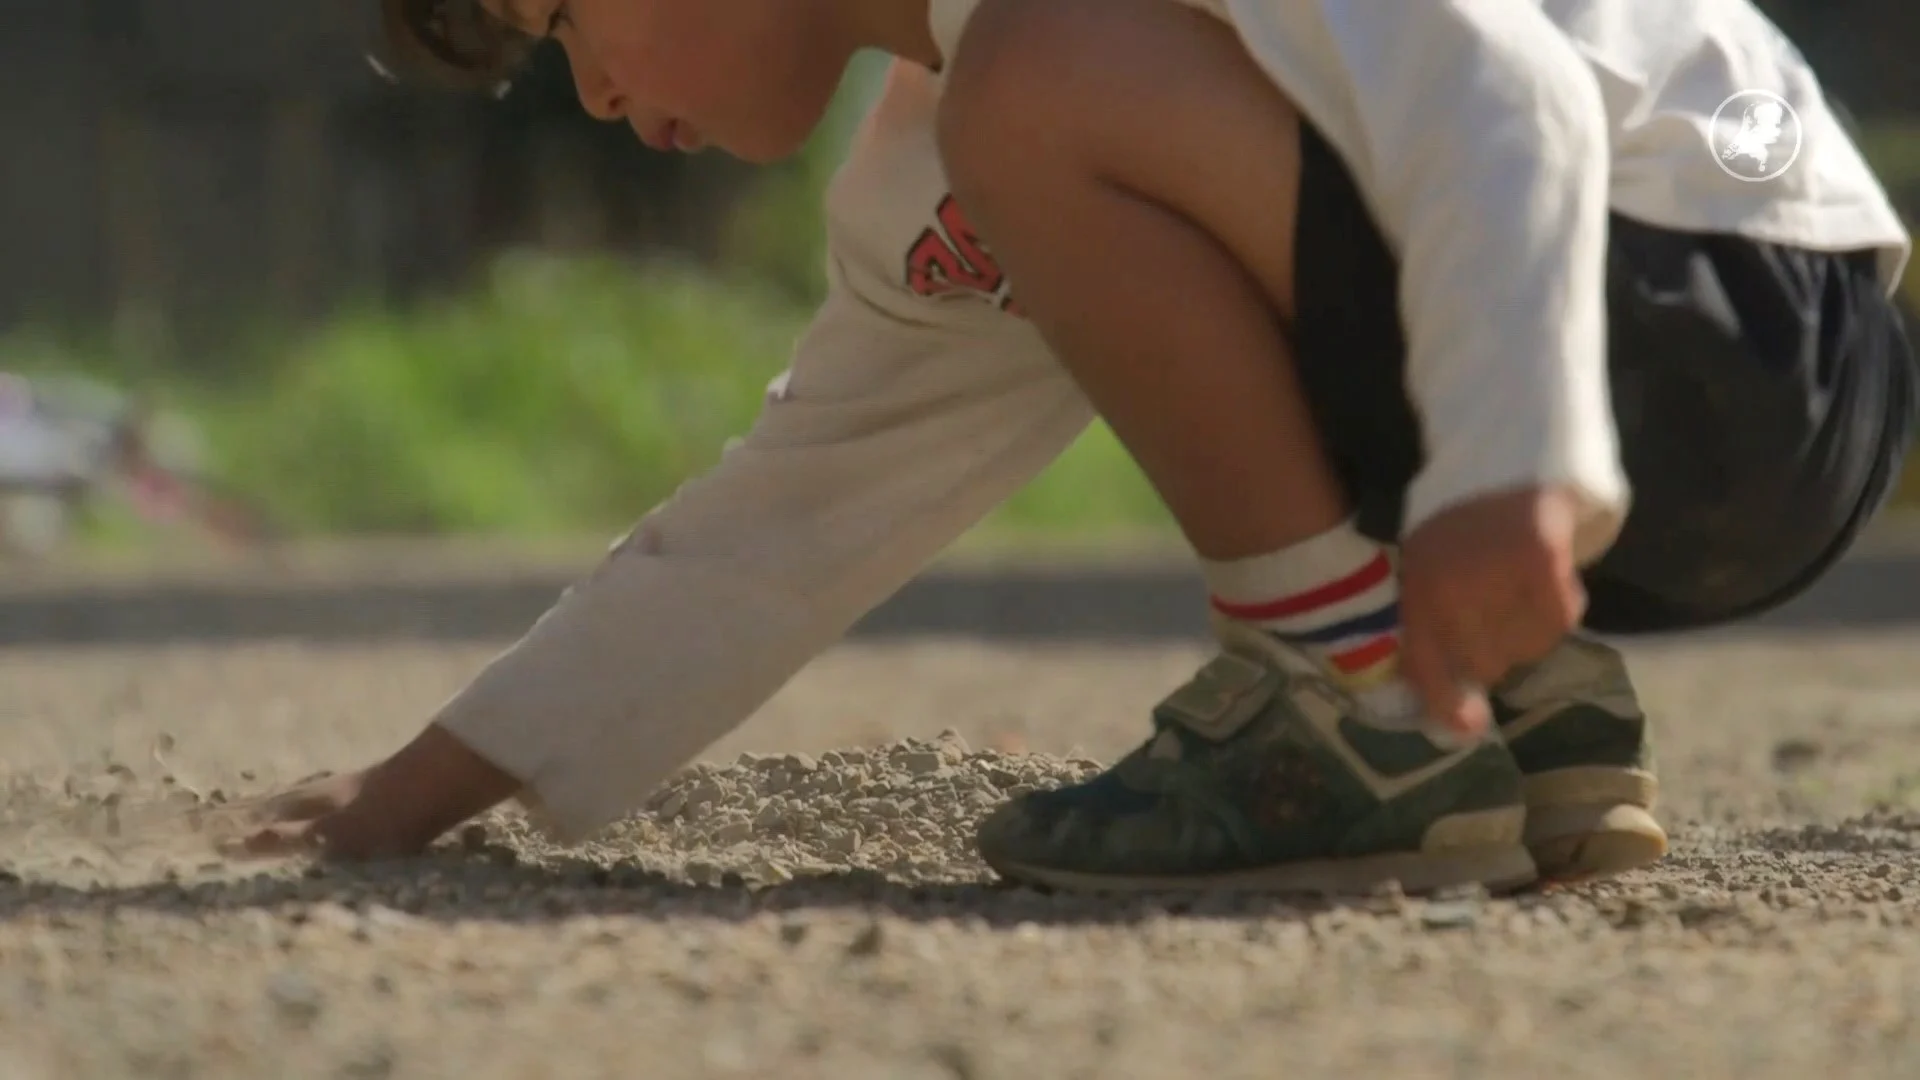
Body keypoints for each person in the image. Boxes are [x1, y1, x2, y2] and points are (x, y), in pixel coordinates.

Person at [231, 0, 1915, 895]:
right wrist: (423, 786)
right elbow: (793, 512)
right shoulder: (946, 170)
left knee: (1040, 77)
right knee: (1023, 102)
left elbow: (1508, 90)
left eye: (562, 16)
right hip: (1674, 403)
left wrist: (1510, 460)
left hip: (1737, 314)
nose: (588, 92)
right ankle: (1500, 710)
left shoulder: (1044, 74)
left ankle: (1342, 712)